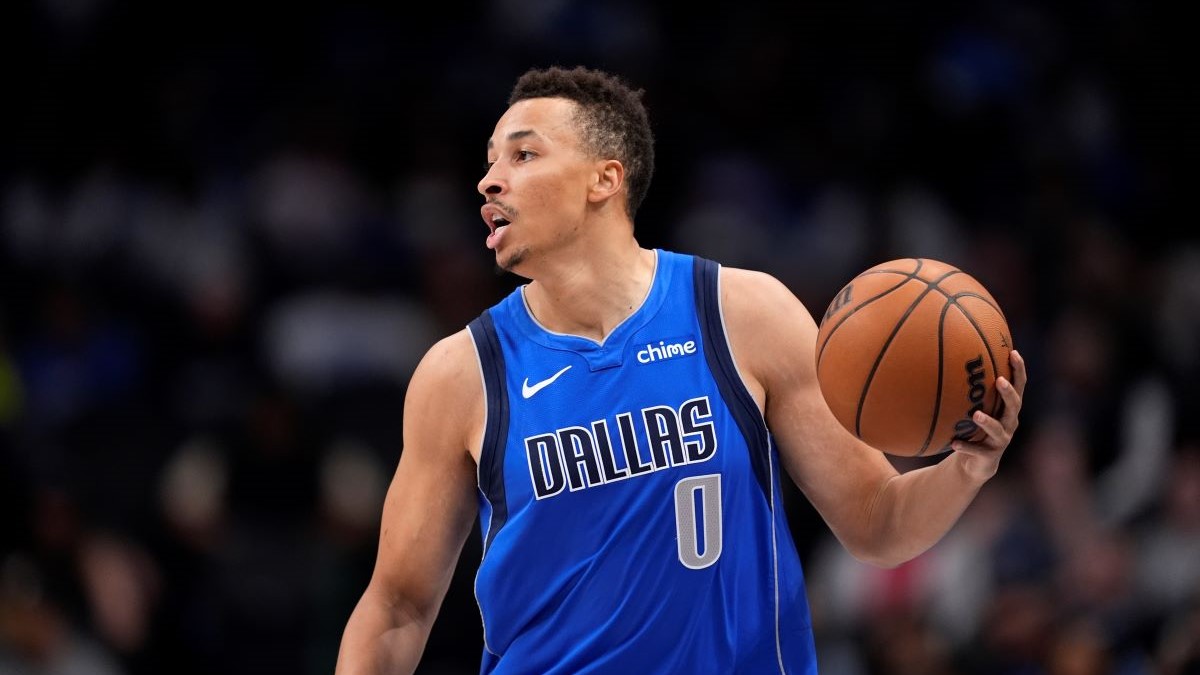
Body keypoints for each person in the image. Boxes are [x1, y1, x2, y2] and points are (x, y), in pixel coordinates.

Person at [334, 65, 1027, 674]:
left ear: (605, 178)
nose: (489, 180)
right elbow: (396, 609)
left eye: (524, 154)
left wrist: (968, 466)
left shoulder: (742, 313)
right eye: (490, 161)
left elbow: (878, 523)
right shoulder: (461, 373)